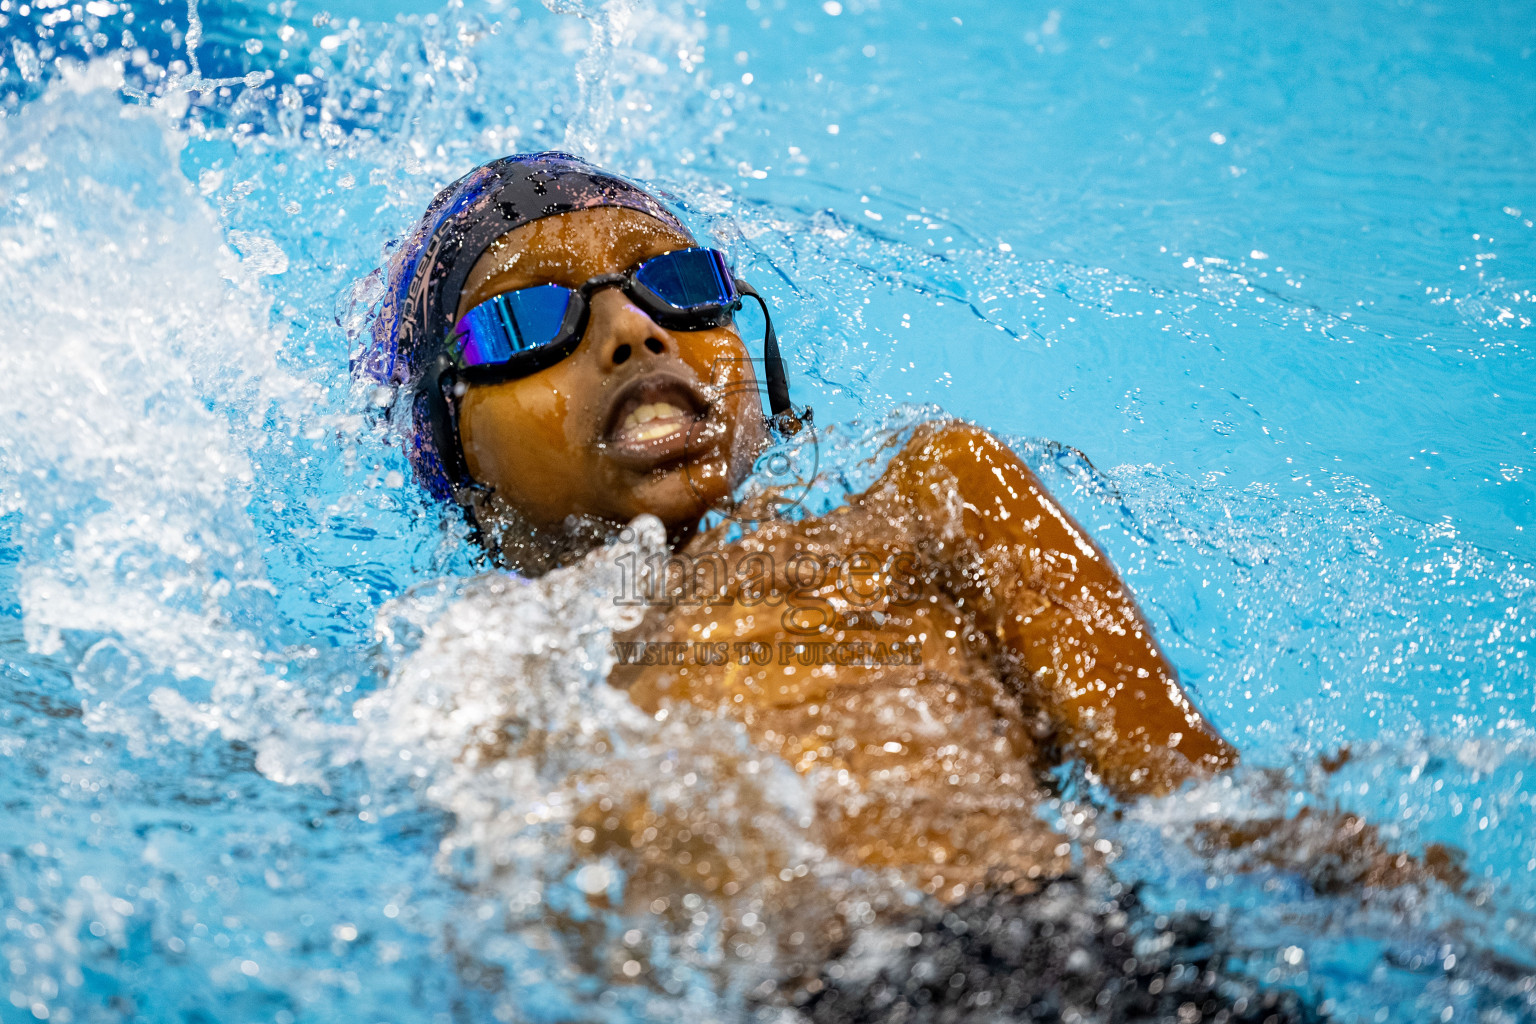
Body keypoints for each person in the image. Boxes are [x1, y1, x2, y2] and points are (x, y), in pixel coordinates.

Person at [355, 152, 1451, 1021]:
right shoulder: (467, 661)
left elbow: (1192, 789)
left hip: (1061, 954)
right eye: (526, 320)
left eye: (680, 284)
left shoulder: (929, 495)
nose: (637, 328)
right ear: (453, 447)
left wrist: (1444, 935)